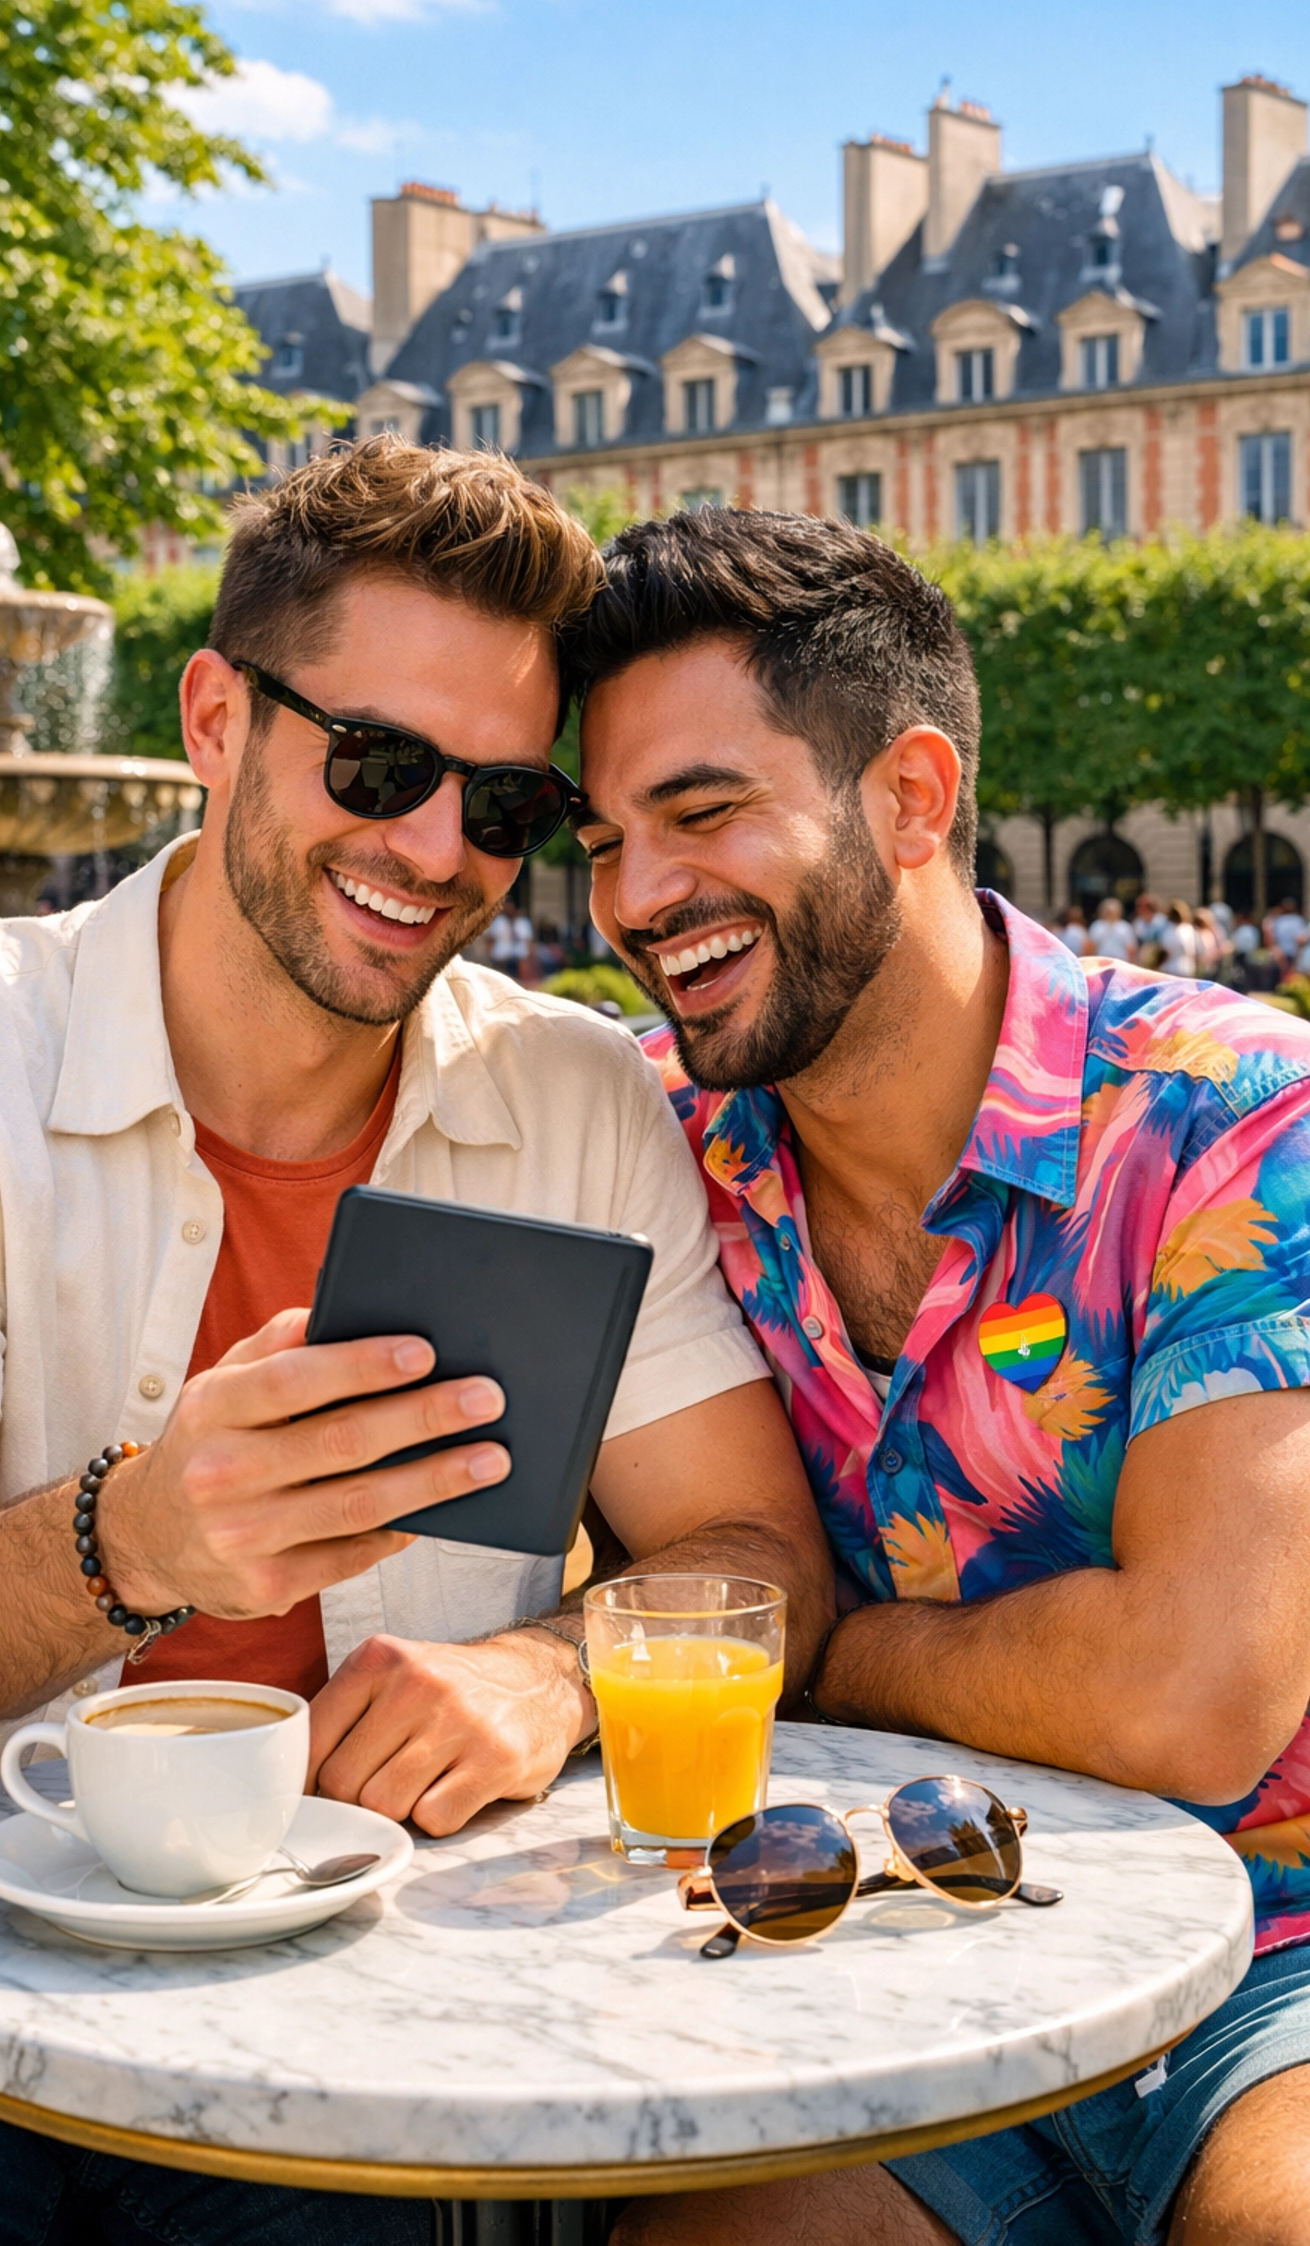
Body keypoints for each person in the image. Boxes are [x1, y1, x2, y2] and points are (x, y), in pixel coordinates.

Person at [0, 443, 830, 2245]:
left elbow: (759, 1554)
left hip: (367, 2008)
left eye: (502, 804)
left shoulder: (574, 1093)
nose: (436, 850)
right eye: (378, 764)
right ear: (211, 716)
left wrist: (560, 1668)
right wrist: (148, 1533)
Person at [565, 506, 1310, 2246]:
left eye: (699, 812)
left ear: (908, 795)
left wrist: (841, 1640)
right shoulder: (652, 1150)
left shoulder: (1227, 1107)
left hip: (1275, 1954)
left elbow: (1190, 1698)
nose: (629, 900)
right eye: (601, 840)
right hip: (869, 1950)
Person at [1087, 894, 1137, 964]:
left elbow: (1131, 948)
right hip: (1101, 962)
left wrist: (1131, 963)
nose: (1110, 914)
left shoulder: (1125, 927)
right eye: (1108, 911)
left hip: (1120, 962)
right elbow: (1090, 946)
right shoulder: (1097, 926)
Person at [1159, 897, 1199, 977]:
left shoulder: (1168, 931)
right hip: (1187, 967)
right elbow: (1194, 951)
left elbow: (1167, 952)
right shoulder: (1189, 929)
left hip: (1171, 968)